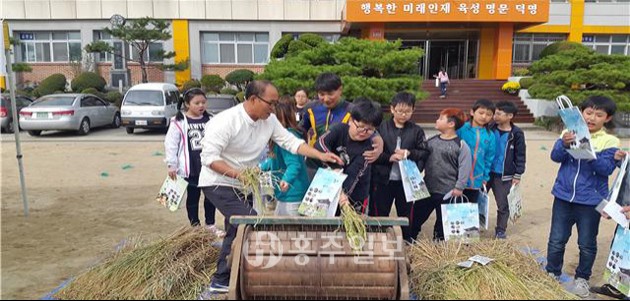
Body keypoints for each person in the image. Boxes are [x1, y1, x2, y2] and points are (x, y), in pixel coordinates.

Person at [199, 80, 342, 293]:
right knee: (249, 220)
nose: (274, 108)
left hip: (244, 184)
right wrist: (240, 175)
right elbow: (209, 158)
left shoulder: (269, 120)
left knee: (235, 227)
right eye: (271, 103)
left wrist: (320, 154)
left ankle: (223, 277)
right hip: (219, 182)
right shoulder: (226, 121)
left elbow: (292, 143)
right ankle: (242, 273)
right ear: (254, 99)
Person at [545, 96, 621, 298]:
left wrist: (587, 149)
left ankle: (582, 279)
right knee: (556, 240)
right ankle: (551, 273)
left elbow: (605, 168)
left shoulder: (610, 141)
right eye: (588, 112)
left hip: (591, 201)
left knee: (586, 243)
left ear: (607, 118)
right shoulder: (567, 132)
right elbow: (555, 157)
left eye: (599, 114)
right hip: (563, 196)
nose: (592, 117)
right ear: (581, 113)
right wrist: (564, 144)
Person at [164, 88, 225, 238]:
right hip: (190, 168)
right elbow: (171, 143)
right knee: (193, 198)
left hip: (209, 167)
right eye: (196, 103)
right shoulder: (178, 121)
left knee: (210, 197)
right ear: (187, 104)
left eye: (203, 102)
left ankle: (210, 224)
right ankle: (195, 226)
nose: (201, 105)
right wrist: (171, 164)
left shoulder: (211, 119)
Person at [369, 92, 429, 242]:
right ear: (392, 109)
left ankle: (406, 241)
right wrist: (389, 158)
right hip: (383, 178)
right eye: (400, 111)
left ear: (413, 110)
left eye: (407, 111)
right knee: (380, 211)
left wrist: (408, 153)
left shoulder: (416, 131)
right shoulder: (381, 129)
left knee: (406, 212)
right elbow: (372, 153)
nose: (403, 114)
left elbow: (424, 152)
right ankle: (379, 240)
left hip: (407, 180)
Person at [300, 72, 383, 179]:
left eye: (330, 94)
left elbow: (370, 128)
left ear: (340, 90)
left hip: (339, 165)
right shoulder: (310, 108)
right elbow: (300, 129)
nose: (326, 98)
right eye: (321, 94)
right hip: (314, 163)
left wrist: (379, 143)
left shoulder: (351, 109)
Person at [412, 108, 472, 241]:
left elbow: (465, 167)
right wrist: (415, 176)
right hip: (427, 188)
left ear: (451, 124)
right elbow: (422, 160)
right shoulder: (431, 142)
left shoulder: (461, 145)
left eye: (440, 118)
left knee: (442, 223)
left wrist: (459, 187)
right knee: (416, 217)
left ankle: (438, 247)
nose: (437, 120)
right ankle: (410, 239)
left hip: (448, 192)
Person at [316, 98, 383, 214]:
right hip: (327, 185)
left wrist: (343, 195)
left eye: (370, 130)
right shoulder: (339, 129)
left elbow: (353, 176)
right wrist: (333, 165)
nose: (363, 132)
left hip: (354, 194)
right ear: (351, 120)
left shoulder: (368, 149)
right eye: (360, 126)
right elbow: (320, 143)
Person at [260, 97, 310, 216]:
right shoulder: (278, 137)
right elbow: (274, 159)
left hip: (292, 194)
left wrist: (287, 179)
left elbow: (294, 164)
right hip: (283, 193)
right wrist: (260, 167)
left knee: (290, 231)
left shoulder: (287, 137)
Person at [488, 101, 526, 239]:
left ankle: (500, 230)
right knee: (478, 200)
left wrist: (518, 174)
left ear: (509, 116)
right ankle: (473, 226)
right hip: (486, 172)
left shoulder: (516, 134)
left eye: (499, 113)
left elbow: (520, 155)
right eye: (495, 113)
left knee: (503, 204)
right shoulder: (490, 127)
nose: (495, 116)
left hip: (504, 175)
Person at [457, 99, 496, 204]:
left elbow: (489, 159)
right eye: (481, 113)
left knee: (470, 210)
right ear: (472, 112)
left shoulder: (490, 136)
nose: (484, 117)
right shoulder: (461, 129)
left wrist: (485, 177)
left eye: (488, 114)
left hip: (477, 179)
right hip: (457, 178)